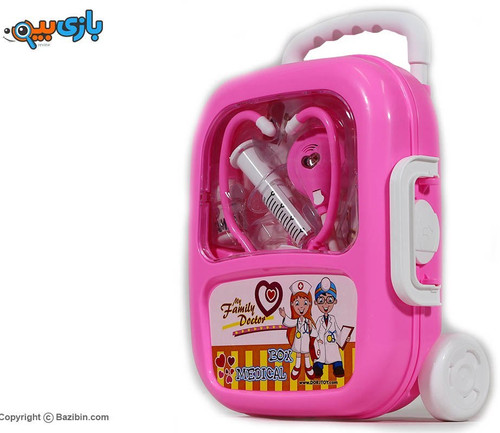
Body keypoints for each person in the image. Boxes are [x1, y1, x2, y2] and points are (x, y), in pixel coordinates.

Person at [279, 280, 316, 380]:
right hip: (298, 340)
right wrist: (284, 316)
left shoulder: (309, 321)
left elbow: (314, 332)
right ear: (292, 304)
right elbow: (289, 323)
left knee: (307, 353)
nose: (301, 307)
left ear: (309, 304)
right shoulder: (296, 320)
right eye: (297, 303)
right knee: (298, 353)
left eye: (305, 303)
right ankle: (297, 366)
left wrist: (311, 328)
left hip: (306, 341)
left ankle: (308, 367)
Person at [312, 277, 349, 378]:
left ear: (335, 301)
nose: (325, 304)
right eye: (321, 300)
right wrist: (317, 340)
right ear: (316, 302)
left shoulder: (333, 319)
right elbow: (315, 332)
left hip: (331, 344)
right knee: (319, 359)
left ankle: (338, 368)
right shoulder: (319, 320)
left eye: (329, 300)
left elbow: (338, 331)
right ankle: (318, 368)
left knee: (335, 357)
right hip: (321, 344)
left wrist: (344, 337)